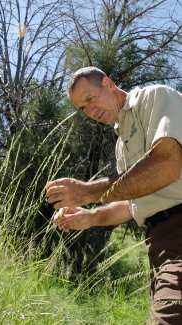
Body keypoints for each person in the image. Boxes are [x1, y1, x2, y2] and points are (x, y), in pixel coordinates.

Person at [46, 66, 182, 324]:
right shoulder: (121, 144)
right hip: (159, 244)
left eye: (90, 99)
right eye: (82, 109)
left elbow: (166, 166)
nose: (90, 111)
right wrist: (90, 217)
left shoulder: (153, 98)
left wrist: (87, 191)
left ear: (108, 84)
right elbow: (135, 204)